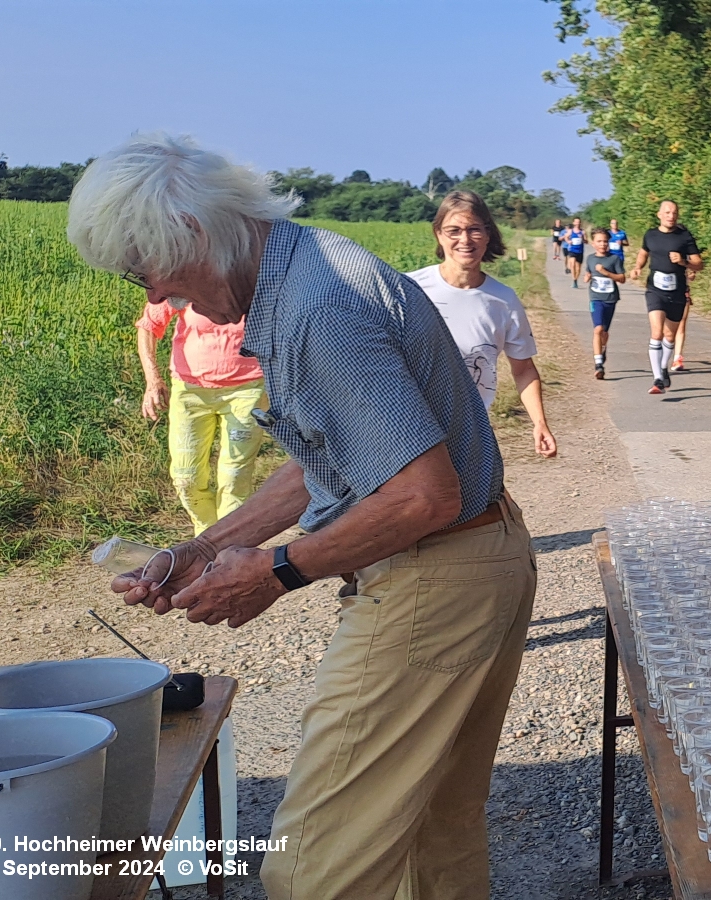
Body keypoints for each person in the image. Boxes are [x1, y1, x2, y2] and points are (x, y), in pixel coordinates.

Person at [74, 132, 535, 900]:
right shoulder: (305, 266)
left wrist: (276, 572)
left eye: (142, 271)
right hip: (480, 562)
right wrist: (206, 548)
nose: (156, 300)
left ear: (189, 232)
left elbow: (422, 496)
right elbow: (347, 448)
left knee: (312, 871)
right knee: (433, 835)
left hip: (436, 580)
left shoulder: (316, 309)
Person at [408, 190, 557, 457]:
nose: (465, 240)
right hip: (411, 432)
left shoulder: (503, 300)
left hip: (471, 433)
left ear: (488, 234)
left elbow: (524, 369)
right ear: (438, 234)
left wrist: (540, 423)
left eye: (474, 229)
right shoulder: (409, 289)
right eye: (454, 231)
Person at [136, 291, 269, 533]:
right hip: (190, 391)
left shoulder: (252, 278)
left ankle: (227, 544)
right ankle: (207, 535)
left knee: (234, 477)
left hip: (248, 390)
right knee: (186, 478)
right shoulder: (185, 280)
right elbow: (149, 325)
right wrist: (153, 380)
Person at [628, 200, 703, 393]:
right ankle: (657, 380)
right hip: (655, 290)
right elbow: (643, 253)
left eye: (674, 213)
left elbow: (699, 264)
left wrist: (684, 261)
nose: (671, 216)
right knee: (657, 333)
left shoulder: (684, 236)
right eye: (667, 212)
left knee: (670, 336)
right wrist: (637, 267)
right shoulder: (651, 235)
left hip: (677, 292)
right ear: (659, 214)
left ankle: (663, 367)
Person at [584, 228, 627, 381]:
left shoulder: (614, 259)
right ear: (593, 243)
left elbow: (622, 278)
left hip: (610, 298)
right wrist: (587, 276)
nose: (602, 244)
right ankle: (598, 365)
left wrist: (606, 273)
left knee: (604, 332)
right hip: (595, 298)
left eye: (605, 241)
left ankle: (603, 349)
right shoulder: (590, 258)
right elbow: (589, 272)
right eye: (599, 241)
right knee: (598, 329)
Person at [564, 217, 586, 286]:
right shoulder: (571, 231)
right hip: (572, 250)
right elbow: (566, 237)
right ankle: (573, 279)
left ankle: (575, 280)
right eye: (576, 222)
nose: (577, 223)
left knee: (578, 268)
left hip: (580, 251)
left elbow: (586, 241)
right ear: (573, 223)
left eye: (578, 222)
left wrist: (583, 239)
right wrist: (568, 241)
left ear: (580, 223)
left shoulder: (582, 232)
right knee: (572, 264)